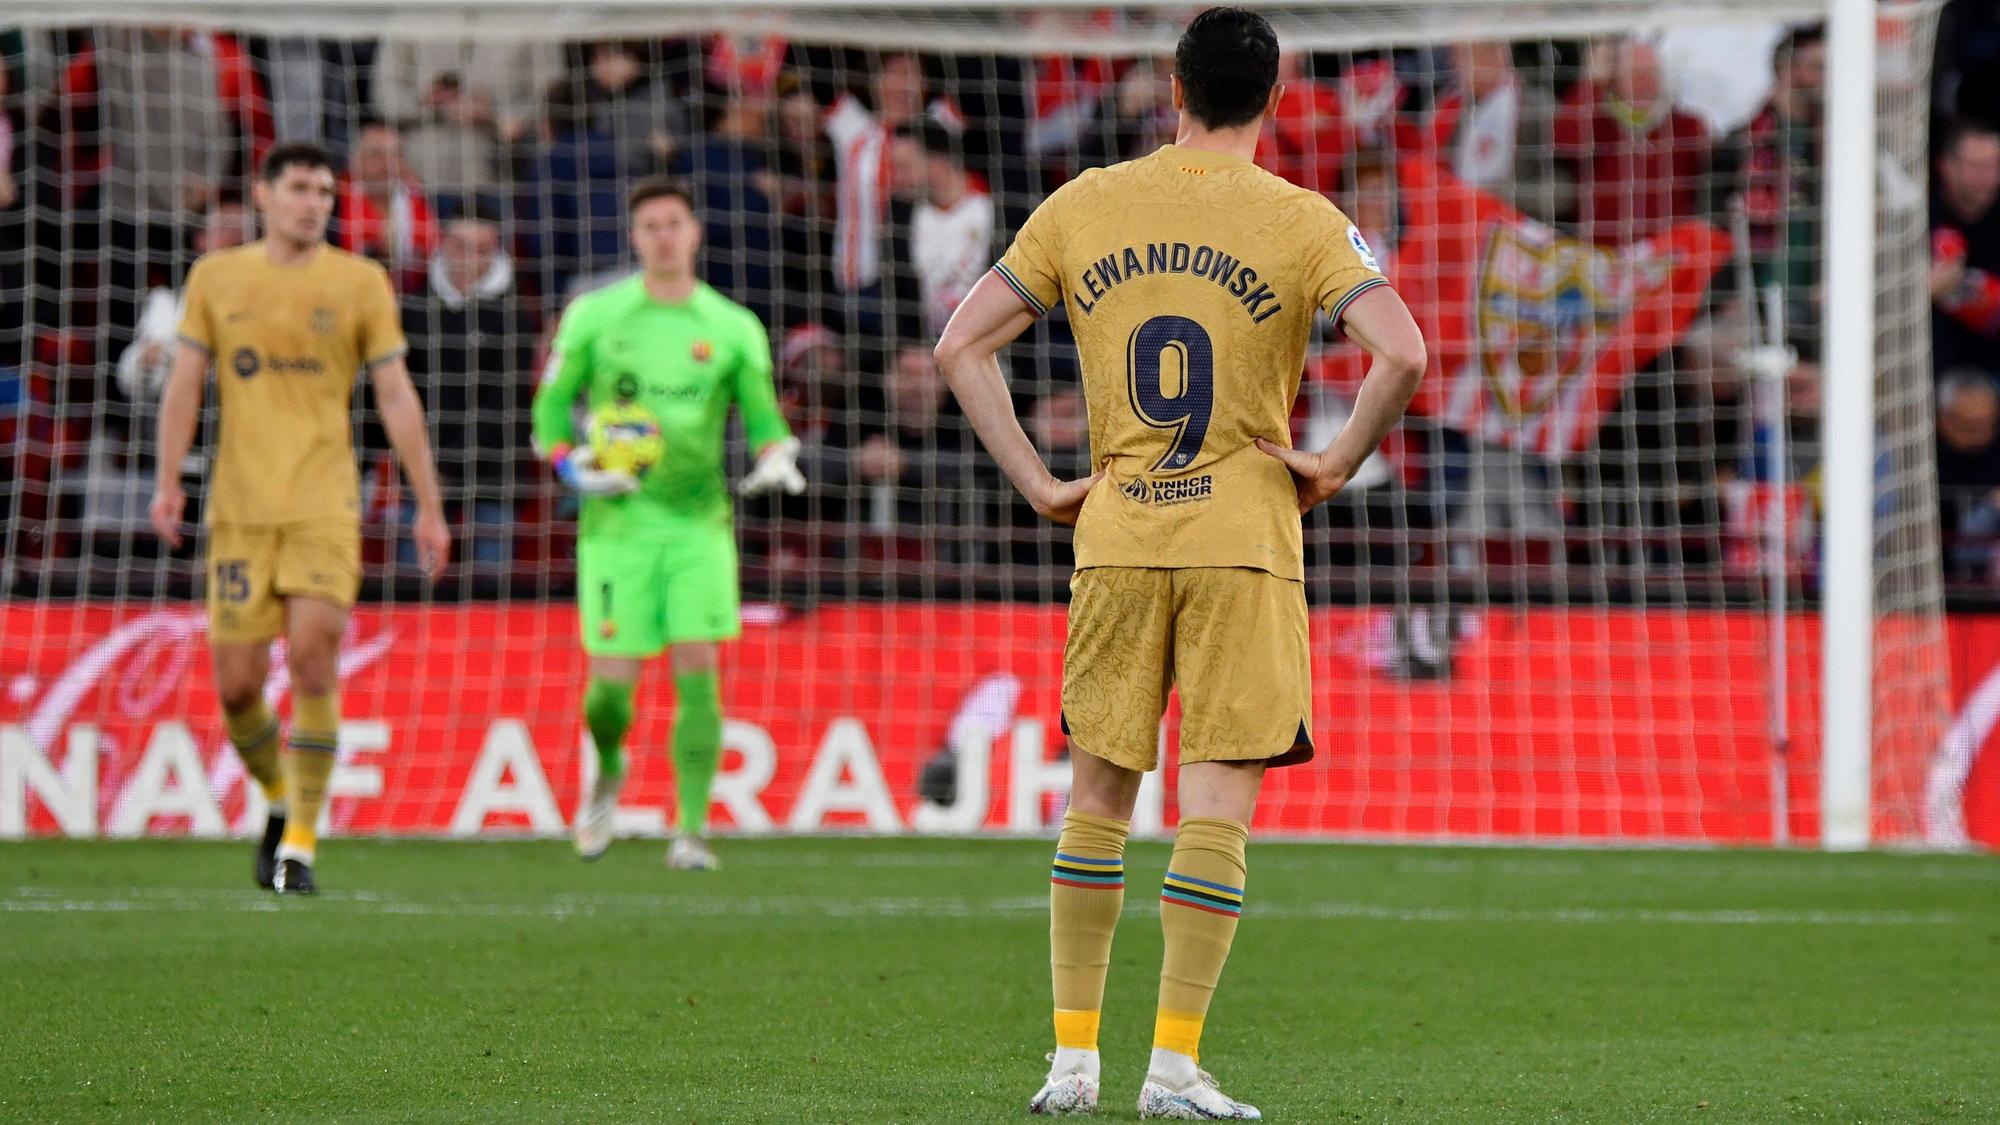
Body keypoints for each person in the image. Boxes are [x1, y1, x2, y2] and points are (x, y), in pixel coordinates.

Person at [934, 8, 1425, 1118]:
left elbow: (957, 343)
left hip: (1115, 528)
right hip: (1242, 539)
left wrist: (1037, 481)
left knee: (1098, 795)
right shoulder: (1301, 220)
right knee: (1215, 806)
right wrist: (1334, 459)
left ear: (1172, 86)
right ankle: (1170, 1067)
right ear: (1275, 96)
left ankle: (1069, 1064)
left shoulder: (1086, 204)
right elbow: (1402, 350)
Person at [148, 141, 452, 895]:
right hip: (241, 508)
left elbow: (395, 394)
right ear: (263, 196)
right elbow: (185, 384)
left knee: (315, 656)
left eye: (324, 189)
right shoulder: (217, 278)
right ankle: (280, 800)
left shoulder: (360, 282)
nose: (314, 201)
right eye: (299, 188)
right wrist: (166, 480)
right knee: (239, 686)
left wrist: (429, 502)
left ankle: (303, 847)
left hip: (324, 502)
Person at [531, 177, 807, 872]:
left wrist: (778, 454)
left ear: (694, 233)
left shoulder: (731, 326)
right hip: (616, 526)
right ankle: (608, 763)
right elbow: (548, 407)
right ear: (634, 236)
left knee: (698, 673)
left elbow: (765, 416)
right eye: (649, 224)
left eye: (673, 223)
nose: (662, 235)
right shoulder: (594, 315)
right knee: (611, 692)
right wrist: (571, 467)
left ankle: (689, 829)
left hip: (698, 526)